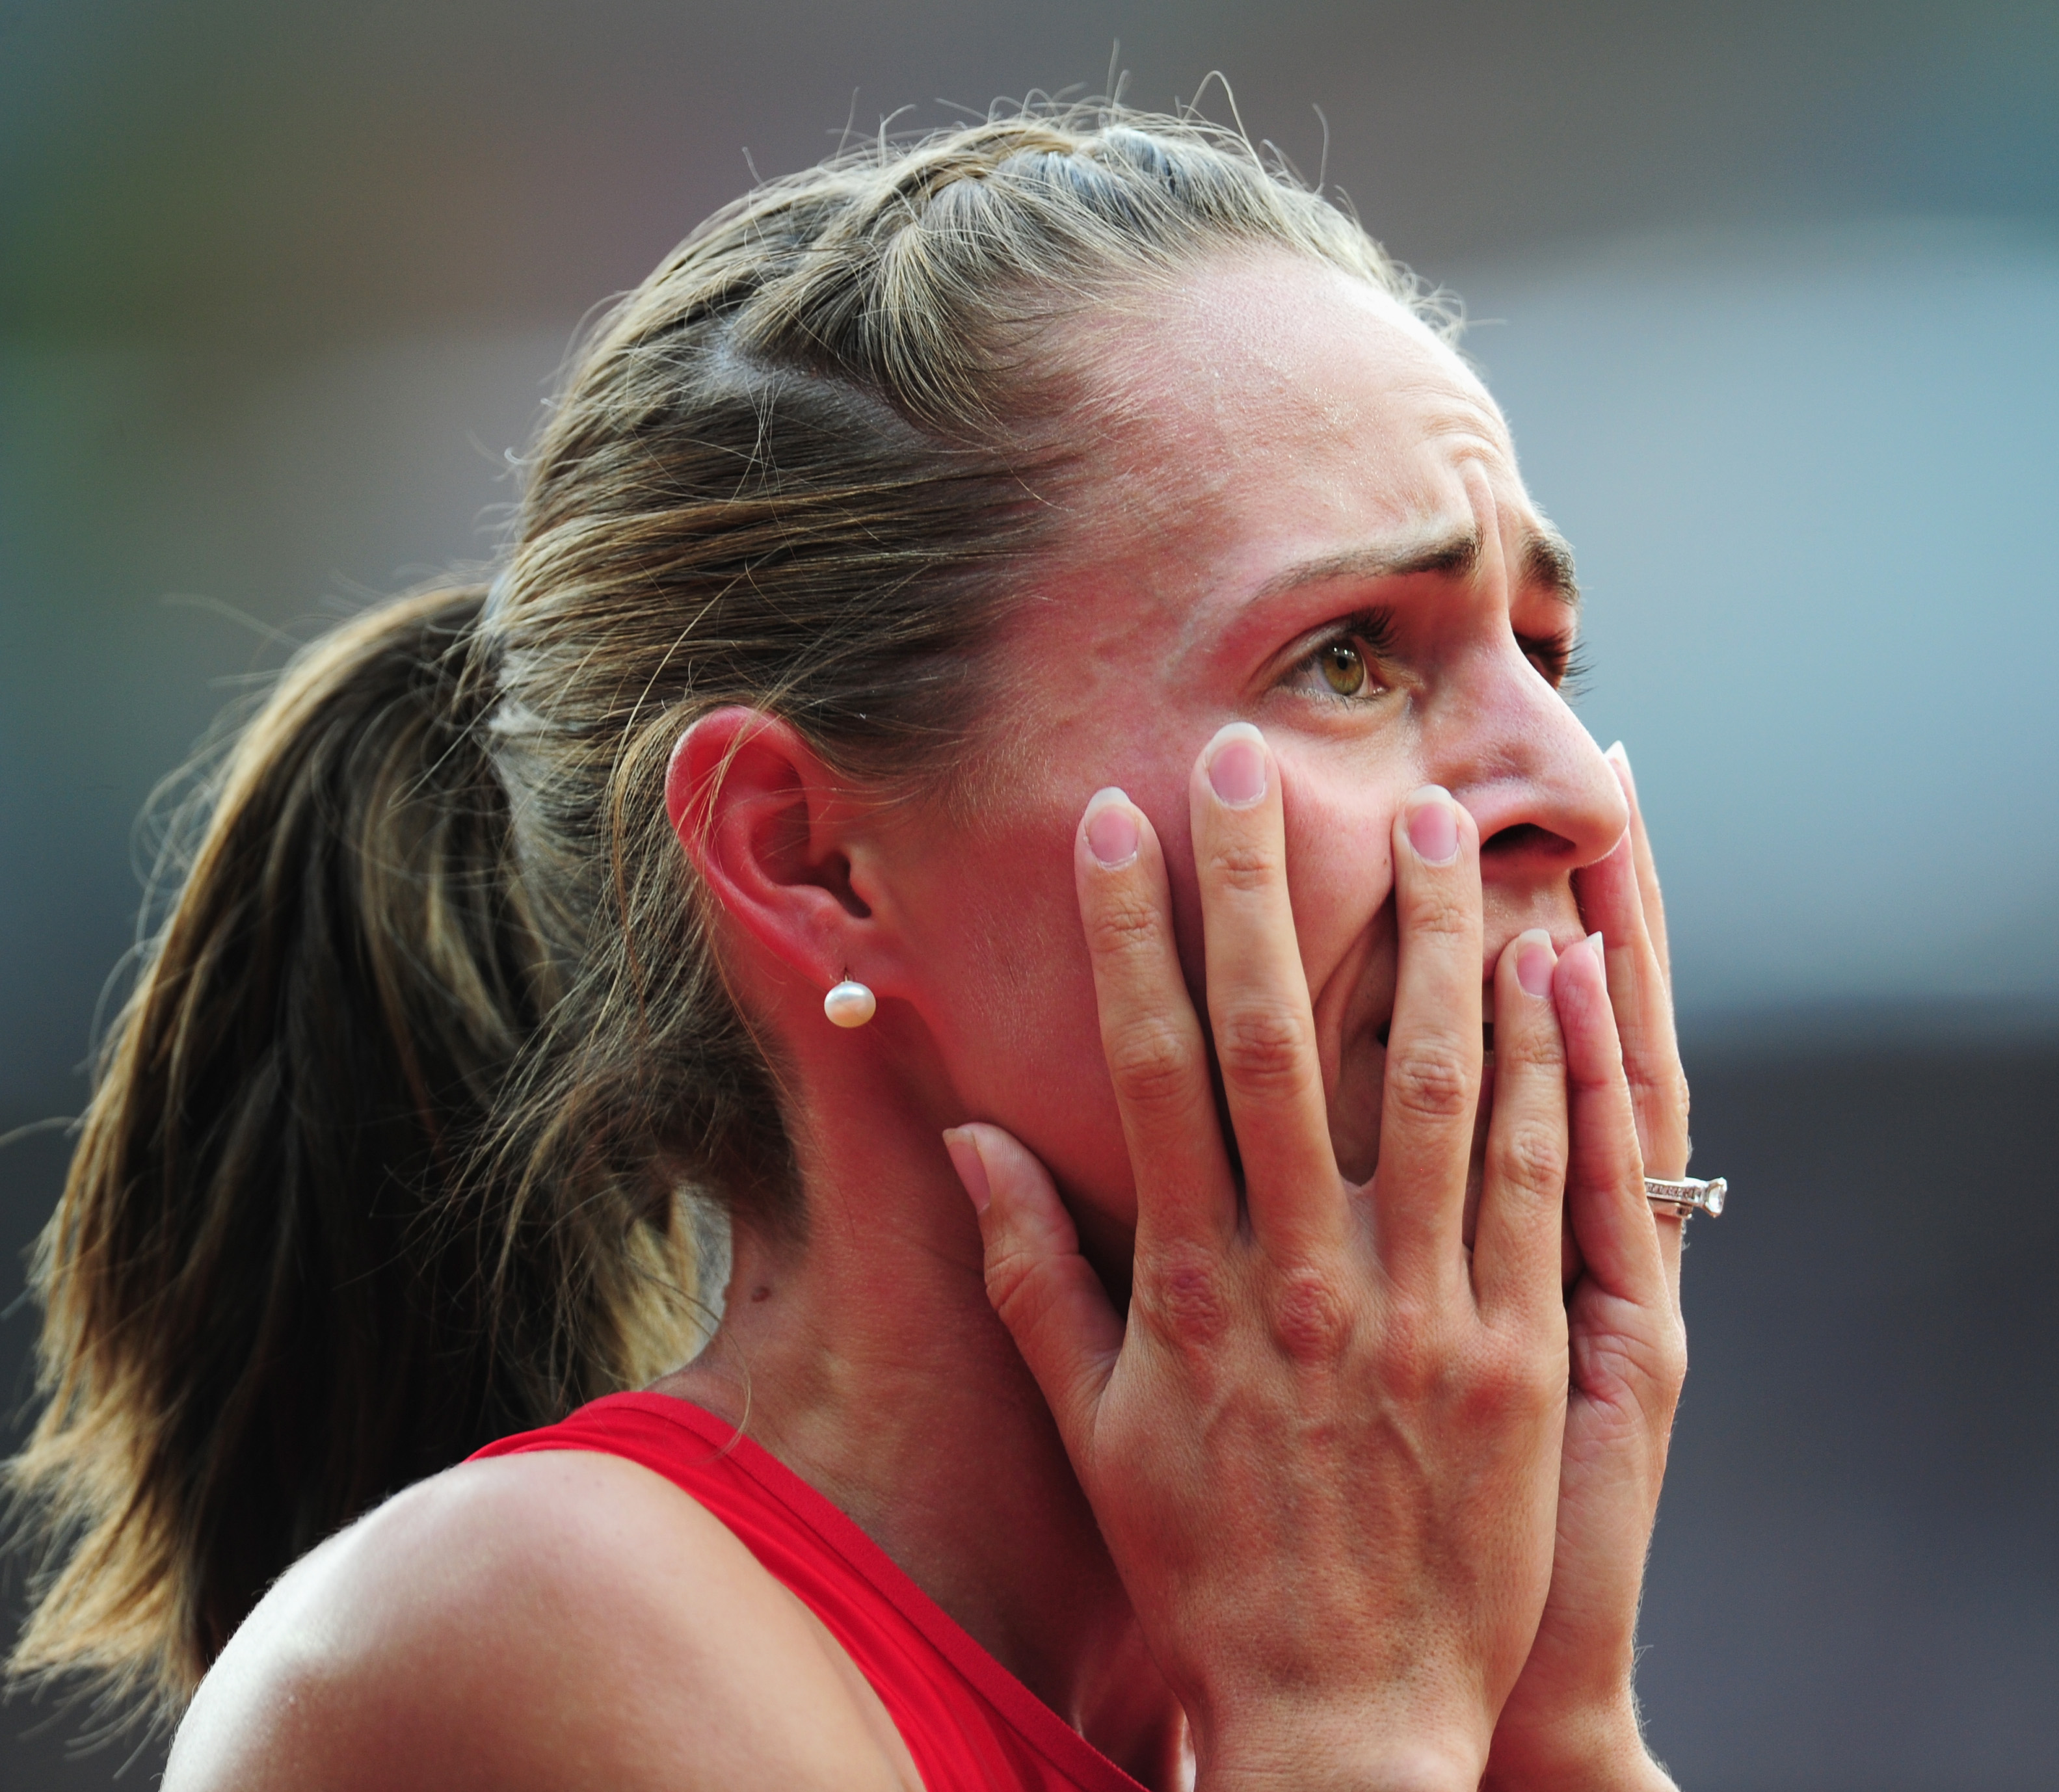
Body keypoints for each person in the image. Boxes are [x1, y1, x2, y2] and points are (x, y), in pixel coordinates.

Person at [6, 105, 1707, 1790]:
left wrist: (1551, 1719)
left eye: (1544, 655)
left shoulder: (1280, 1724)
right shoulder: (524, 1640)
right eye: (1350, 657)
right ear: (811, 861)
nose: (1573, 793)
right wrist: (1361, 1718)